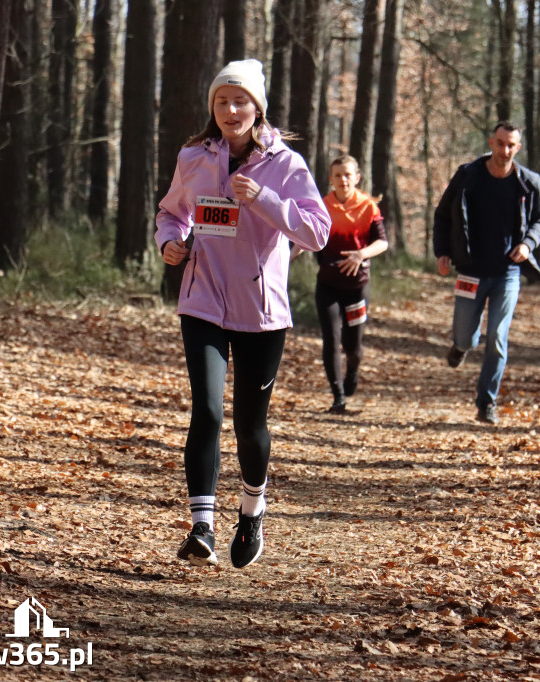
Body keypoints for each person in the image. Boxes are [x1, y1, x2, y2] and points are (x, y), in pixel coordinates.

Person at [155, 59, 330, 569]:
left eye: (241, 101)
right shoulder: (194, 157)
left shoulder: (285, 165)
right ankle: (202, 526)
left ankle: (252, 509)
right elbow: (172, 212)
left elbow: (316, 233)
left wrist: (266, 201)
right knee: (207, 410)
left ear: (257, 108)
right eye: (222, 102)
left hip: (261, 311)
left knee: (250, 426)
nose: (231, 110)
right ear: (213, 108)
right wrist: (171, 242)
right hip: (203, 300)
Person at [432, 121, 540, 425]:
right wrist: (442, 252)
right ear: (491, 142)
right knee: (466, 337)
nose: (505, 150)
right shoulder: (468, 176)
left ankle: (487, 402)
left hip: (507, 273)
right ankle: (460, 346)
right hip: (470, 270)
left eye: (511, 145)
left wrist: (528, 244)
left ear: (517, 148)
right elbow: (442, 215)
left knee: (497, 337)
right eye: (500, 143)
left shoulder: (529, 182)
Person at [308, 155, 388, 414]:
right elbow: (307, 240)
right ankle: (338, 397)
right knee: (331, 339)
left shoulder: (368, 206)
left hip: (357, 288)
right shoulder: (321, 206)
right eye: (338, 175)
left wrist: (361, 254)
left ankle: (352, 369)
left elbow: (382, 242)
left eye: (347, 174)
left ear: (357, 178)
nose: (343, 179)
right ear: (331, 179)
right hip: (328, 286)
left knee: (353, 345)